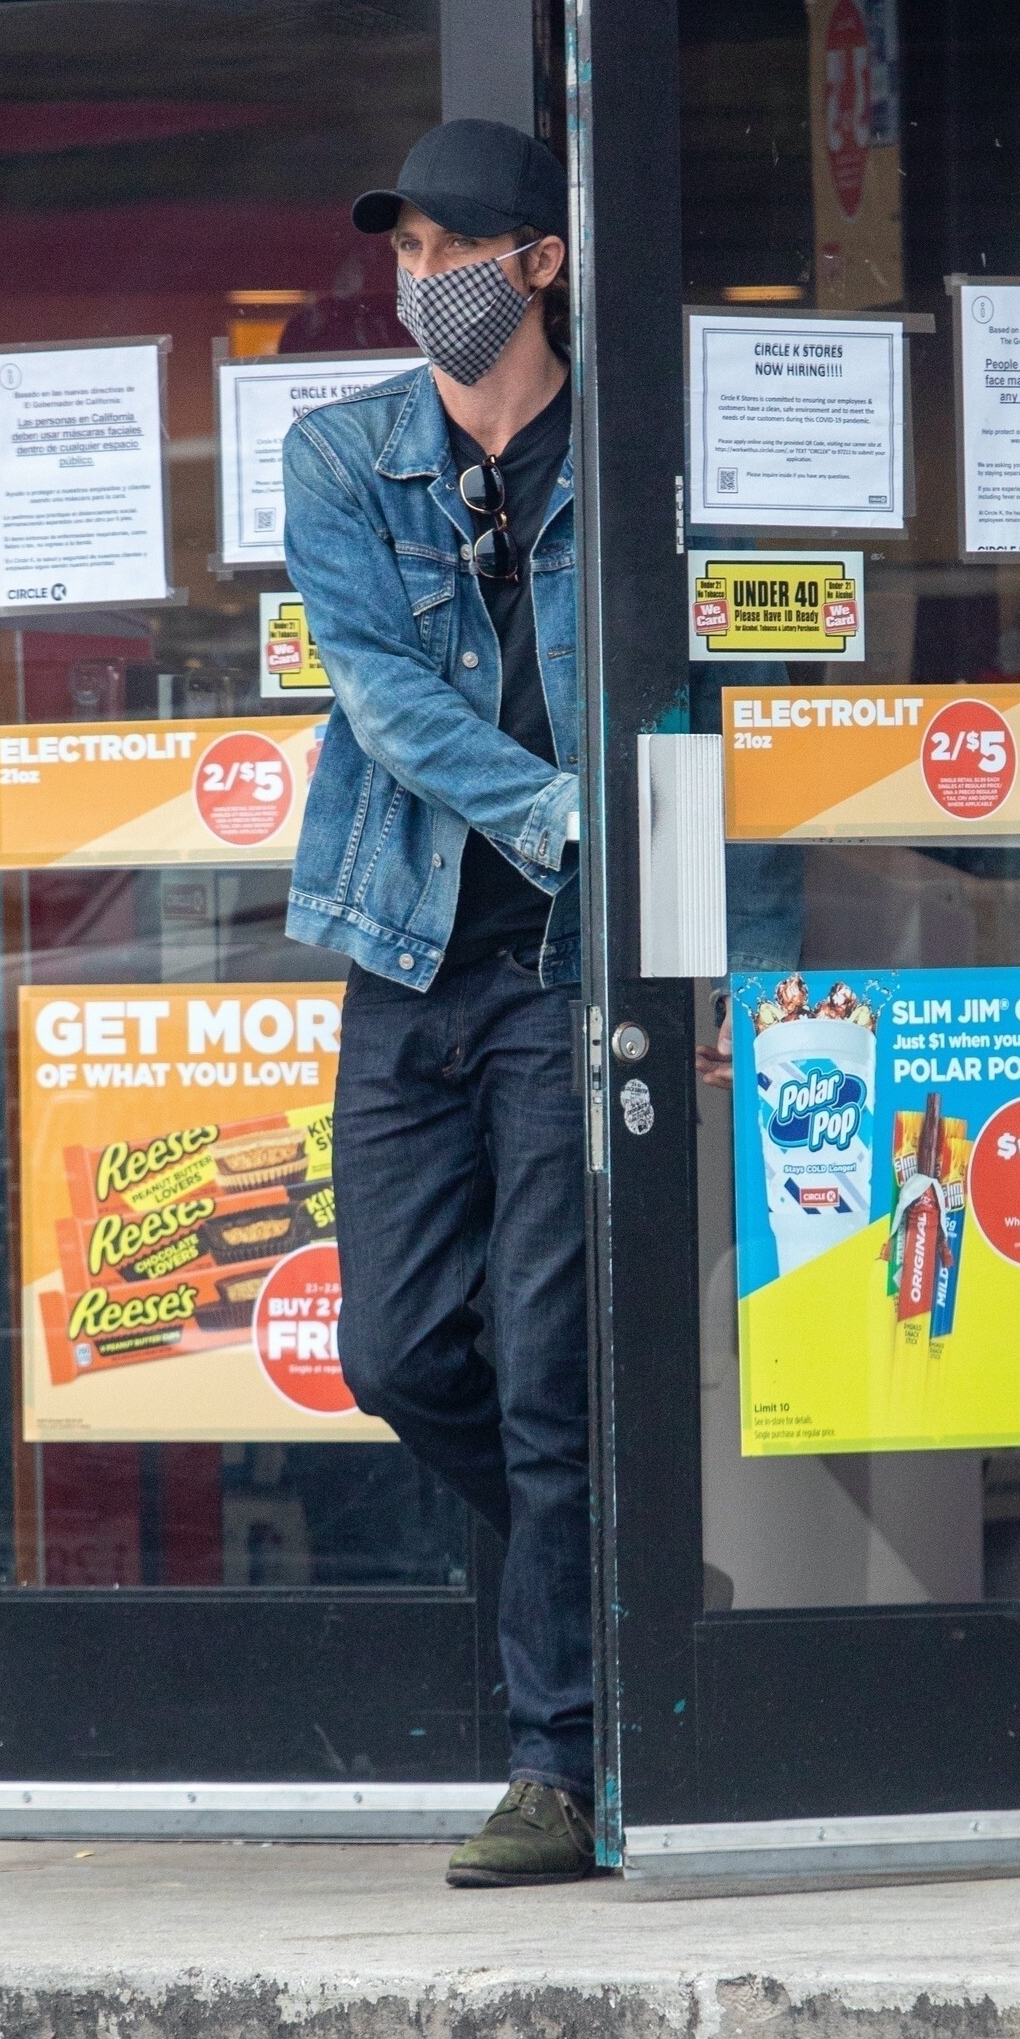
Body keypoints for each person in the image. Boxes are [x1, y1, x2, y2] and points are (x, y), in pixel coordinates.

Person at [281, 119, 593, 1887]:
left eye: (447, 251)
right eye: (401, 254)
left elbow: (704, 697)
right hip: (407, 952)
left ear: (538, 263)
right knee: (398, 1352)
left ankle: (560, 1763)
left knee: (550, 1376)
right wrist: (562, 816)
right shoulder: (344, 458)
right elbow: (385, 699)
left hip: (564, 976)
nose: (418, 282)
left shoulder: (627, 456)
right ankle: (623, 1582)